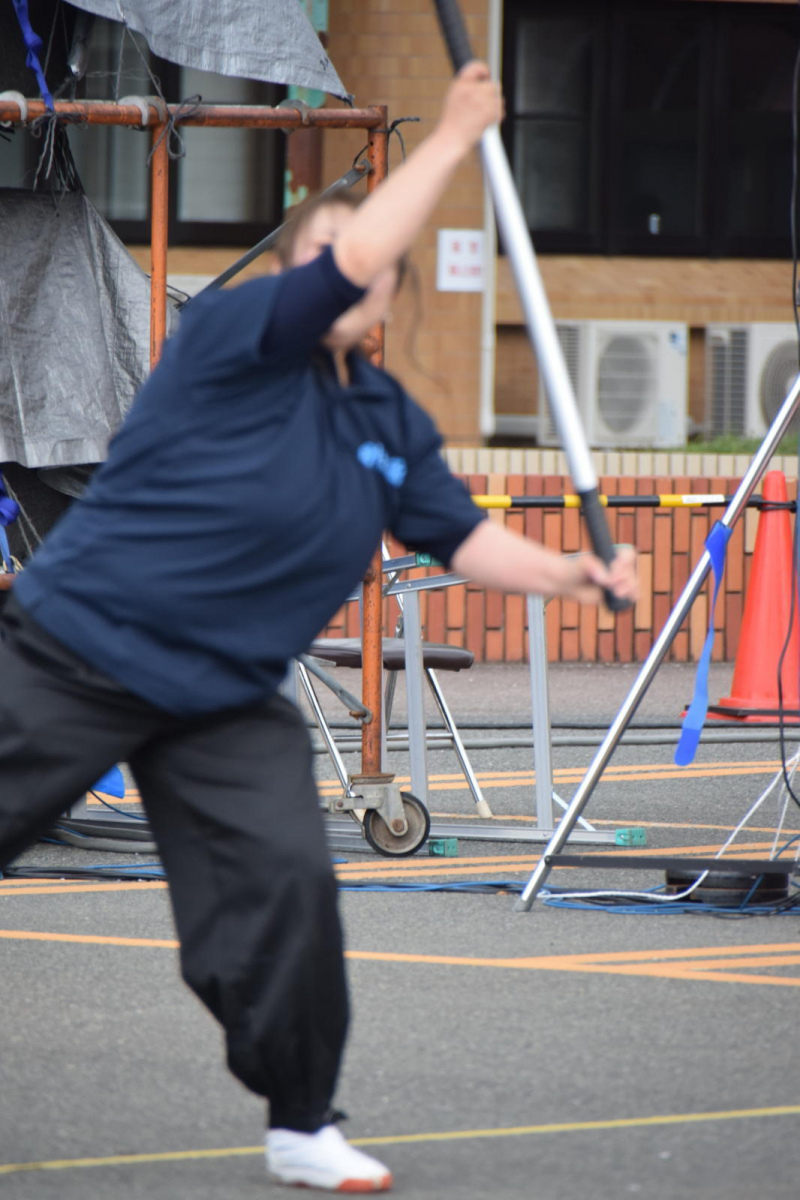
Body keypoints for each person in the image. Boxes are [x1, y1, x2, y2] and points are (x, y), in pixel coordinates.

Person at [0, 62, 637, 1193]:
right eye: (340, 262)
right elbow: (340, 249)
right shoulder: (237, 336)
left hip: (225, 694)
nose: (360, 279)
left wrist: (574, 576)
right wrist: (449, 139)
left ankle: (301, 1117)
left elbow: (458, 535)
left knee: (288, 890)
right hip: (81, 647)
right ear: (300, 271)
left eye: (380, 270)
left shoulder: (384, 415)